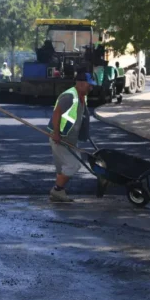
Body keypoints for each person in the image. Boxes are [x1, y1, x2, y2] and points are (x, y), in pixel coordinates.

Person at [48, 71, 96, 202]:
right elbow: (56, 113)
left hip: (70, 138)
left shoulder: (82, 96)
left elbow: (80, 116)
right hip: (61, 138)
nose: (91, 88)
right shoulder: (69, 96)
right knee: (73, 164)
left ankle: (59, 192)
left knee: (63, 166)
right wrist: (56, 134)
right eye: (89, 85)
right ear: (80, 83)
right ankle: (57, 190)